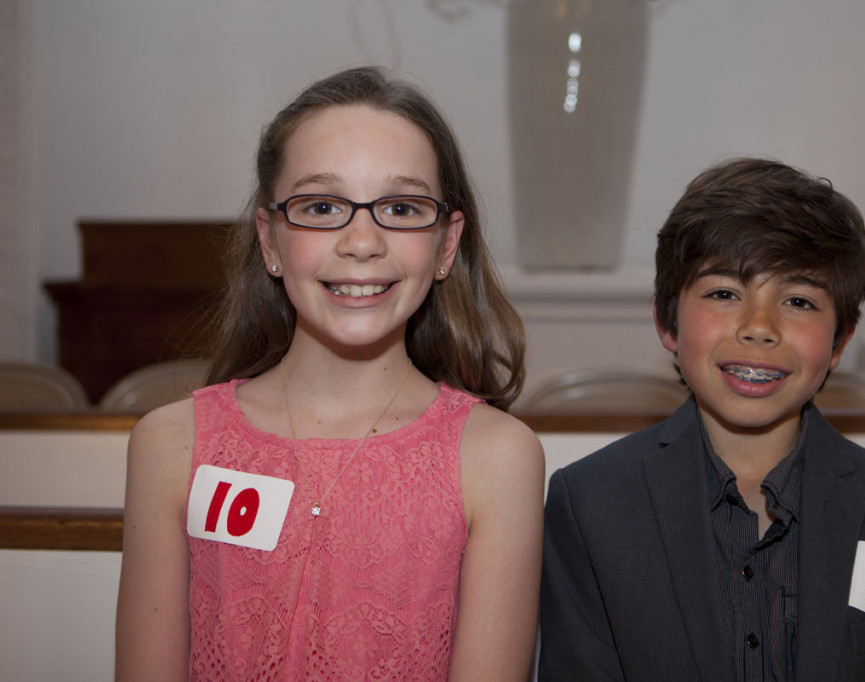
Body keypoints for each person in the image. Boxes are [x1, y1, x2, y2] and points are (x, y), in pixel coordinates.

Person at [116, 66, 544, 681]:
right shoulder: (171, 446)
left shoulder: (495, 459)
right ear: (270, 241)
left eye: (401, 207)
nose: (362, 242)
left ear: (446, 245)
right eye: (321, 207)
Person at [539, 158, 865, 681]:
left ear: (839, 342)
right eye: (724, 294)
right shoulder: (589, 505)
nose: (759, 327)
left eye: (798, 301)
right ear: (667, 321)